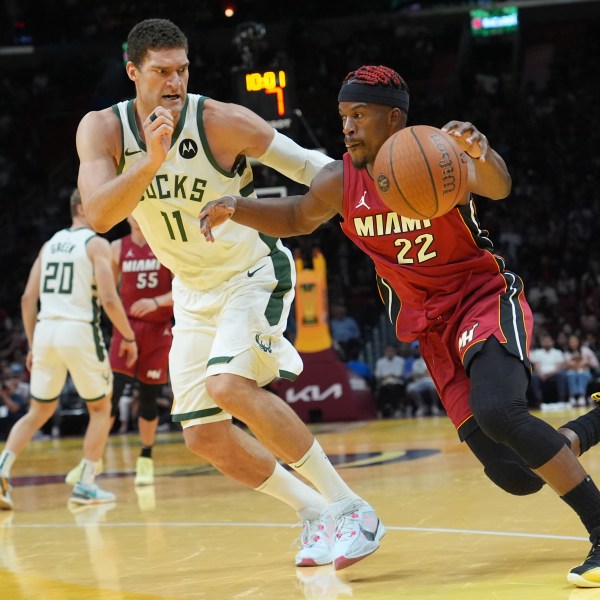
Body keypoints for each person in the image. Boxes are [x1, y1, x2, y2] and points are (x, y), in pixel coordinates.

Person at [198, 64, 600, 587]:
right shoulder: (340, 179)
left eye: (359, 115)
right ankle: (591, 426)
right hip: (430, 328)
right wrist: (239, 207)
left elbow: (498, 185)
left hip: (482, 299)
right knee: (516, 474)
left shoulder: (438, 154)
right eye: (343, 115)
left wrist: (482, 151)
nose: (346, 126)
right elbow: (297, 216)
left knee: (501, 410)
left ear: (393, 118)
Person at [75, 19, 385, 569]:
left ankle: (351, 507)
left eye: (182, 69)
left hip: (251, 270)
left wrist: (382, 194)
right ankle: (314, 512)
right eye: (161, 71)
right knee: (205, 439)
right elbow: (99, 215)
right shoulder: (102, 130)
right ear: (133, 72)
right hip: (193, 291)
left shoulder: (220, 121)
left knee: (229, 385)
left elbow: (313, 167)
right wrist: (150, 159)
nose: (174, 81)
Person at [0, 189, 138, 510]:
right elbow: (107, 298)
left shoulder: (48, 245)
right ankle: (86, 484)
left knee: (38, 410)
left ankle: (2, 468)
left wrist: (33, 345)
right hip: (78, 330)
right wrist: (128, 337)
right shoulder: (96, 244)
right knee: (102, 409)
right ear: (82, 208)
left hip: (46, 331)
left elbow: (26, 300)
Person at [66, 214, 174, 487]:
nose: (138, 217)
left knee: (148, 397)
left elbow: (185, 287)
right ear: (127, 215)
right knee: (109, 398)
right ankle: (92, 459)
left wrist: (156, 301)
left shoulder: (164, 243)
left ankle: (145, 458)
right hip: (125, 329)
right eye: (134, 212)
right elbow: (107, 292)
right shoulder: (116, 248)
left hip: (158, 328)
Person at [530, 333, 568, 409]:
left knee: (561, 374)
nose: (546, 342)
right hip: (541, 374)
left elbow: (559, 366)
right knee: (533, 376)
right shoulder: (537, 352)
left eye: (548, 341)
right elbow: (536, 365)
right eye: (545, 341)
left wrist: (551, 374)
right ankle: (539, 401)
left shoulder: (557, 352)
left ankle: (562, 400)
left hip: (554, 374)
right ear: (541, 343)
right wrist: (541, 374)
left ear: (552, 342)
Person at [373, 344, 405, 418]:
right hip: (384, 384)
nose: (389, 353)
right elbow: (378, 375)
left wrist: (389, 376)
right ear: (385, 352)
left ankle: (397, 409)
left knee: (394, 389)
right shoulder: (380, 362)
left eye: (391, 351)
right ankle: (381, 411)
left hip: (397, 383)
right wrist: (390, 375)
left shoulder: (400, 360)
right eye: (387, 351)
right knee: (381, 391)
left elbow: (400, 374)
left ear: (395, 352)